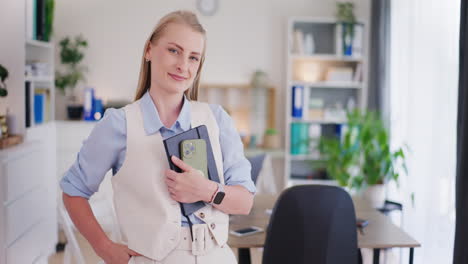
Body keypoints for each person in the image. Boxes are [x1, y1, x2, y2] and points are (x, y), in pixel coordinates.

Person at [60, 10, 256, 264]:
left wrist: (206, 190)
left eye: (193, 57)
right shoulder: (119, 125)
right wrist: (105, 248)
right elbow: (73, 191)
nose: (183, 66)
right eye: (174, 50)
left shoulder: (217, 120)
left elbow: (244, 202)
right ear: (149, 50)